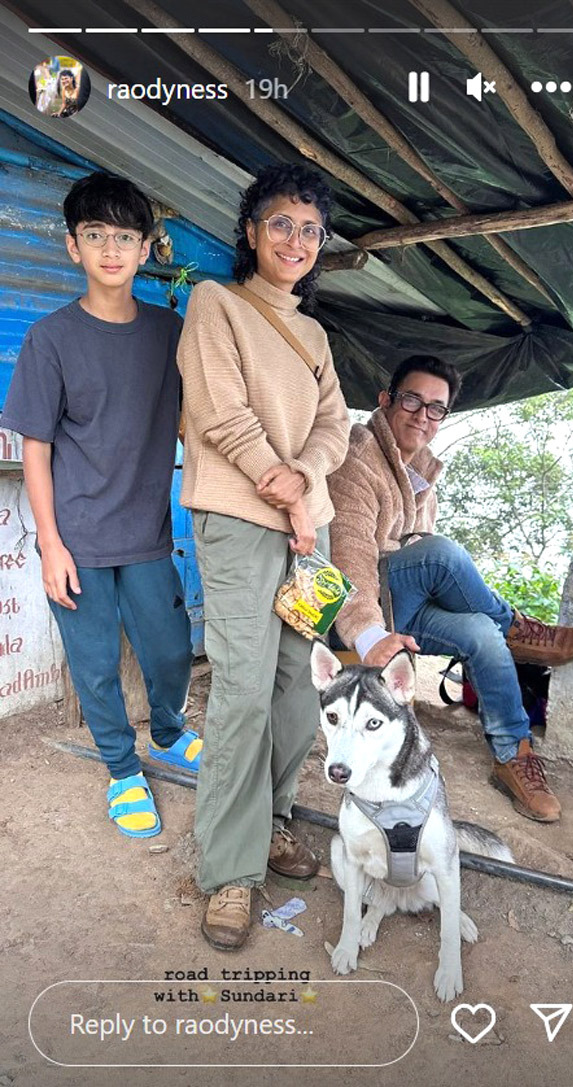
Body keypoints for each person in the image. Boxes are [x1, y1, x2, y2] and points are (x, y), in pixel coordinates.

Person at [178, 162, 350, 949]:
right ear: (250, 231)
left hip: (305, 529)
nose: (297, 241)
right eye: (282, 223)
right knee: (243, 688)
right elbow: (219, 407)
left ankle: (273, 820)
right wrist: (276, 482)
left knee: (294, 691)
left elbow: (337, 427)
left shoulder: (314, 333)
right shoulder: (215, 304)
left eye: (311, 230)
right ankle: (229, 870)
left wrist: (306, 477)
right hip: (241, 516)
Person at [1, 171, 198, 839]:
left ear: (147, 249)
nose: (110, 249)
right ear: (72, 247)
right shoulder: (51, 339)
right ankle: (121, 768)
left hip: (146, 534)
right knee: (93, 667)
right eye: (95, 235)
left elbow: (196, 421)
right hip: (78, 538)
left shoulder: (171, 334)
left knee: (171, 651)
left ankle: (169, 732)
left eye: (124, 235)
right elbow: (35, 449)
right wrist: (49, 545)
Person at [328, 356, 573, 823]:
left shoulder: (422, 473)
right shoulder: (359, 455)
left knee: (480, 634)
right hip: (362, 610)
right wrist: (366, 634)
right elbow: (350, 559)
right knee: (443, 554)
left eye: (436, 408)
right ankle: (517, 627)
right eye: (412, 400)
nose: (422, 416)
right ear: (386, 400)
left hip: (404, 606)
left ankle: (513, 755)